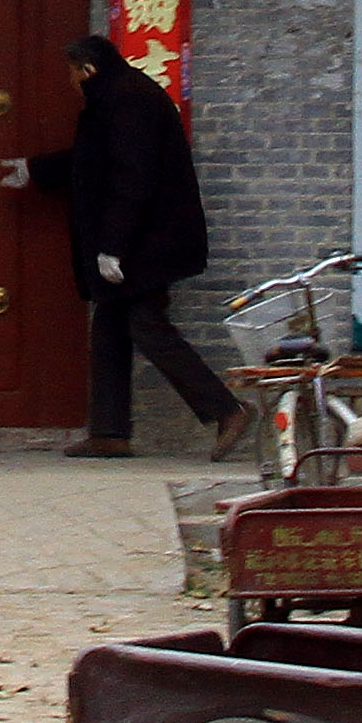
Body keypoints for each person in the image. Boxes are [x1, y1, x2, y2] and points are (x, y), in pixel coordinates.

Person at [27, 33, 230, 460]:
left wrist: (112, 247)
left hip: (148, 240)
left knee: (146, 326)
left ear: (88, 70)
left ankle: (227, 410)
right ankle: (110, 432)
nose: (70, 82)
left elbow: (132, 176)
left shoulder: (127, 101)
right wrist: (35, 170)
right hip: (143, 238)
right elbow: (92, 160)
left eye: (71, 73)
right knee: (110, 328)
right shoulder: (117, 96)